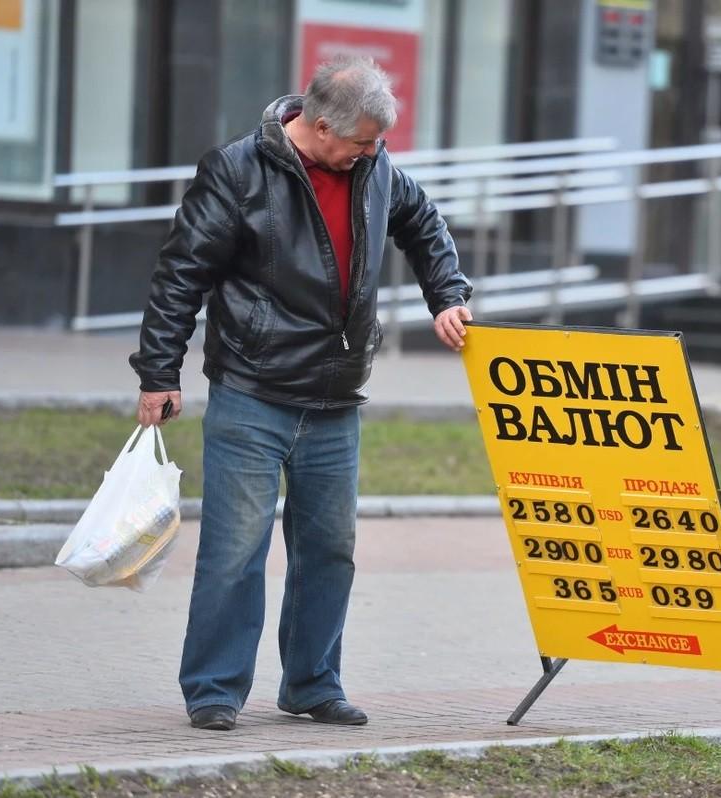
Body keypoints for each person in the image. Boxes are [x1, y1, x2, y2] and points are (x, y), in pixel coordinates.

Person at [129, 56, 472, 731]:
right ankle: (214, 689)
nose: (373, 153)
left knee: (329, 551)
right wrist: (159, 372)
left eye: (377, 142)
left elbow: (423, 224)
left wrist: (448, 295)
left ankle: (313, 684)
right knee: (235, 550)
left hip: (336, 397)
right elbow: (181, 274)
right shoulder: (236, 171)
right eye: (363, 142)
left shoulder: (374, 167)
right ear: (320, 126)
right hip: (252, 390)